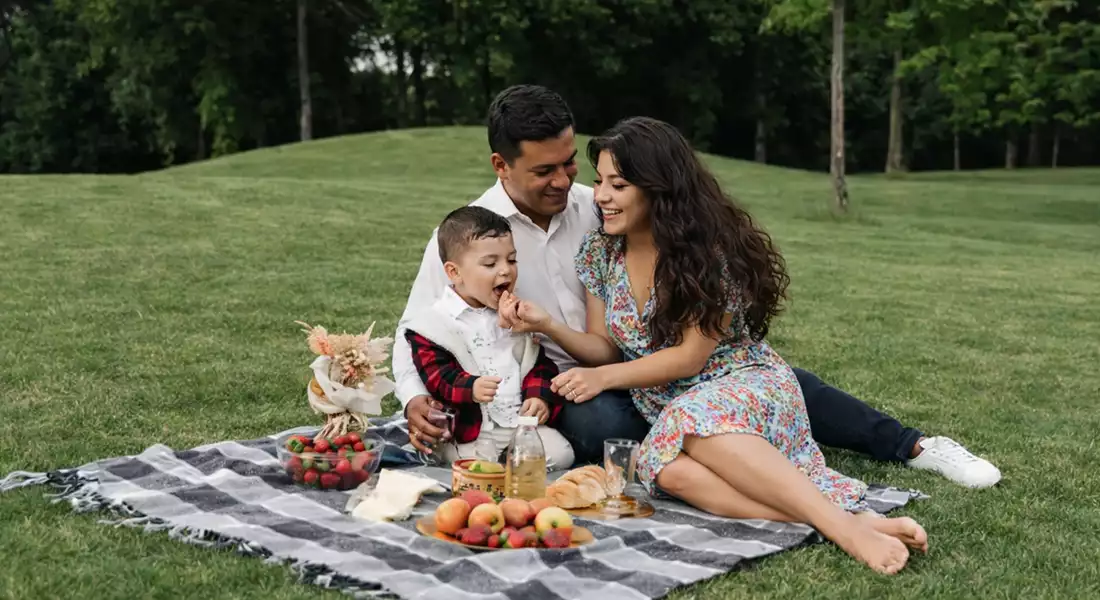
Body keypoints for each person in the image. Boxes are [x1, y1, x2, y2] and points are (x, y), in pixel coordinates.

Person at [392, 83, 1001, 489]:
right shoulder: (469, 237)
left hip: (658, 358)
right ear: (502, 166)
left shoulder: (601, 206)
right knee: (597, 431)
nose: (566, 181)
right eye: (544, 170)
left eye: (570, 162)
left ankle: (913, 446)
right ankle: (731, 469)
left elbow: (683, 251)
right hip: (564, 380)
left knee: (774, 380)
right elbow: (417, 328)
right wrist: (414, 399)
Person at [498, 115, 926, 574]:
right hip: (672, 403)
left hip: (738, 381)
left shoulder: (708, 253)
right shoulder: (601, 252)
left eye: (617, 185)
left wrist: (602, 377)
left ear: (657, 187)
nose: (600, 196)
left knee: (692, 419)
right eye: (600, 182)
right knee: (668, 473)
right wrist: (549, 326)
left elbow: (690, 357)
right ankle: (851, 521)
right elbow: (604, 345)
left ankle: (844, 532)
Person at [401, 205, 574, 470]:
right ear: (454, 272)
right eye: (491, 264)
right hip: (472, 429)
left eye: (512, 260)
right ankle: (499, 468)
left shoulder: (514, 316)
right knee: (473, 464)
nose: (505, 271)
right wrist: (470, 387)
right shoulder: (433, 325)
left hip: (518, 423)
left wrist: (538, 397)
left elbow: (539, 365)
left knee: (562, 453)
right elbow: (436, 376)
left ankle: (510, 466)